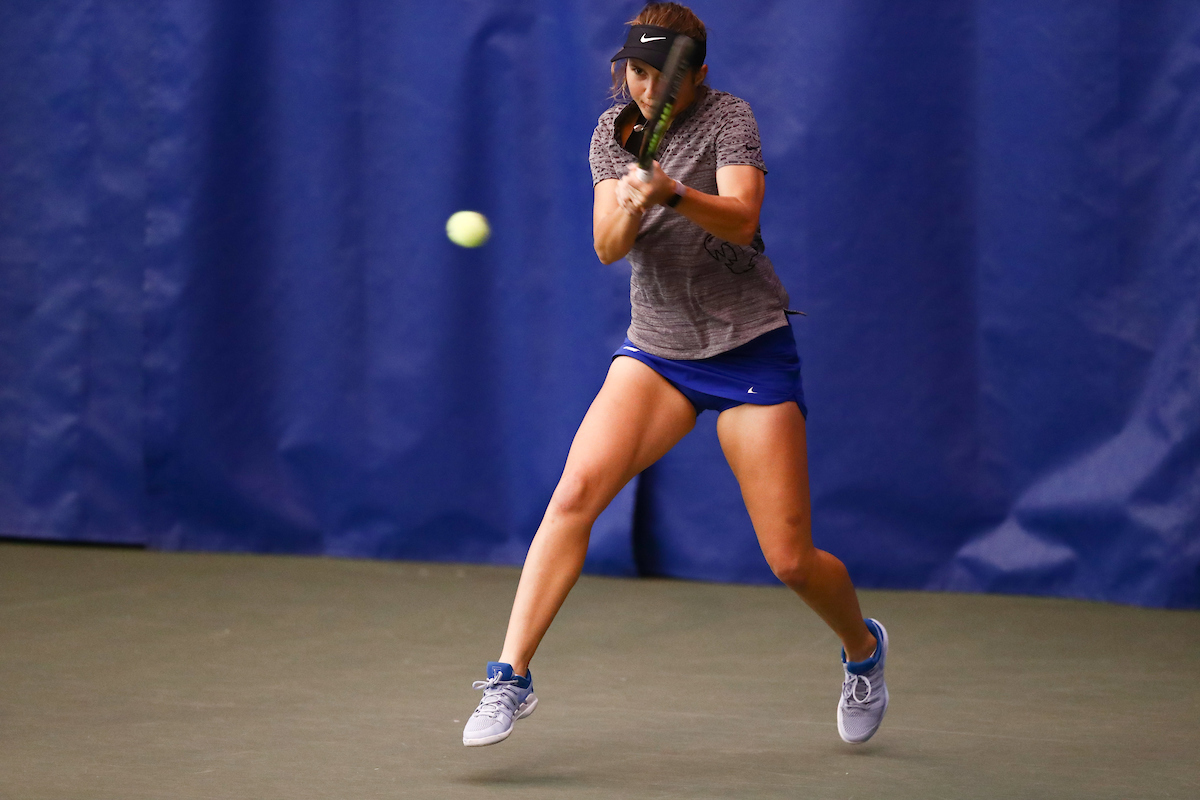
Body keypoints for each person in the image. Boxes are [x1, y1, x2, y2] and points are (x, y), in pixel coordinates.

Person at [462, 2, 889, 748]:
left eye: (664, 75)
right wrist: (628, 205)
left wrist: (673, 194)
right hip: (657, 353)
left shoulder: (731, 118)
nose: (648, 89)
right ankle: (511, 675)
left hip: (747, 350)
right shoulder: (610, 132)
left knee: (789, 558)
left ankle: (863, 648)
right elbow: (605, 247)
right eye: (636, 72)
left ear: (695, 75)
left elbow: (744, 218)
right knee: (575, 494)